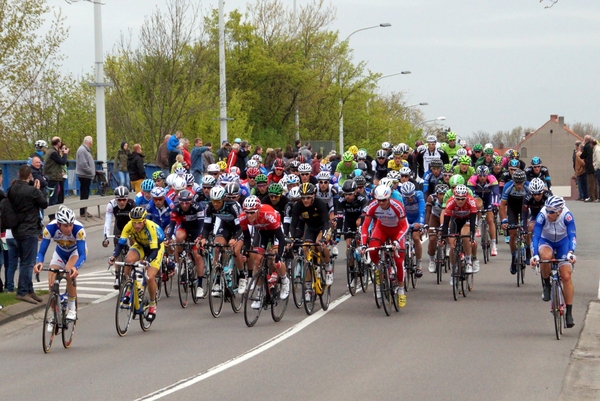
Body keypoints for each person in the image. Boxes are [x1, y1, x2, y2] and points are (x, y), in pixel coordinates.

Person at [109, 206, 165, 322]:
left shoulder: (151, 228)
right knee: (128, 261)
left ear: (144, 221)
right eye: (134, 223)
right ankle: (129, 287)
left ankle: (152, 304)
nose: (136, 226)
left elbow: (154, 250)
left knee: (149, 277)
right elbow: (120, 244)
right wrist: (113, 256)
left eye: (139, 223)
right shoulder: (129, 226)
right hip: (140, 245)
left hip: (155, 249)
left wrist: (147, 261)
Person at [530, 196, 577, 328]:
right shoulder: (542, 215)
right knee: (545, 256)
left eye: (551, 212)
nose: (548, 213)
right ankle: (546, 284)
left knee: (566, 276)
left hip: (563, 242)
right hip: (546, 241)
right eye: (547, 210)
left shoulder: (567, 216)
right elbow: (536, 236)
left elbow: (572, 235)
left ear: (559, 212)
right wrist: (534, 256)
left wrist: (571, 252)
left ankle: (569, 312)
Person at [361, 185, 409, 306]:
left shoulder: (397, 206)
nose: (381, 203)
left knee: (398, 262)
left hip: (397, 231)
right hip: (382, 229)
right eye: (379, 200)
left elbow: (405, 226)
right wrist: (363, 244)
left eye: (384, 200)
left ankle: (401, 290)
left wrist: (397, 241)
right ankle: (378, 269)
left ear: (388, 198)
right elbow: (365, 226)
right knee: (372, 250)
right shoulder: (372, 206)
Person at [34, 207, 85, 321]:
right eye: (65, 226)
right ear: (58, 224)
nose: (69, 228)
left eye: (70, 225)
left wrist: (75, 267)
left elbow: (82, 255)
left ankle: (72, 308)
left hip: (75, 252)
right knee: (51, 282)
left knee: (68, 271)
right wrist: (39, 263)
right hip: (60, 252)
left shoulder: (79, 229)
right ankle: (54, 314)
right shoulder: (50, 229)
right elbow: (42, 251)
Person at [239, 196, 289, 308]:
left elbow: (281, 239)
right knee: (257, 261)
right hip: (261, 232)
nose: (249, 215)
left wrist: (279, 255)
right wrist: (246, 252)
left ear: (258, 210)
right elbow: (247, 237)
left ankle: (285, 281)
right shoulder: (243, 217)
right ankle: (259, 295)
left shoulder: (268, 214)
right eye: (247, 212)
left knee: (275, 259)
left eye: (252, 212)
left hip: (275, 231)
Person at [9, 165, 48, 304]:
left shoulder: (12, 189)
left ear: (19, 175)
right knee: (28, 262)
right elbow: (44, 204)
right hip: (30, 229)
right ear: (30, 176)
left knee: (24, 260)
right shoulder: (32, 191)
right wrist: (38, 190)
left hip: (17, 229)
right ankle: (22, 292)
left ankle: (30, 290)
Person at [439, 184, 478, 282]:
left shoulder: (471, 202)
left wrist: (472, 237)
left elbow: (473, 222)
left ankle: (469, 261)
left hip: (468, 220)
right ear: (454, 197)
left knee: (465, 236)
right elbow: (446, 222)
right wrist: (443, 238)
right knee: (452, 245)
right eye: (458, 199)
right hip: (455, 220)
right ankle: (454, 270)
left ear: (466, 197)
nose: (460, 201)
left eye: (462, 199)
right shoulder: (450, 202)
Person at [44, 137, 69, 220]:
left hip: (53, 176)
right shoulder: (53, 153)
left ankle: (53, 215)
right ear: (58, 143)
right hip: (53, 177)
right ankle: (52, 216)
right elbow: (62, 162)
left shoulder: (51, 151)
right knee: (54, 197)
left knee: (55, 196)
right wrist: (65, 154)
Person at [76, 136, 95, 218]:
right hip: (84, 175)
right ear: (90, 142)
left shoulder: (84, 150)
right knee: (84, 194)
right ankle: (83, 212)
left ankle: (84, 210)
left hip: (86, 175)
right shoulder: (82, 150)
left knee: (85, 193)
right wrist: (90, 171)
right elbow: (83, 164)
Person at [579, 135, 597, 202]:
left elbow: (582, 156)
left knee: (590, 182)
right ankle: (595, 196)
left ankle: (591, 197)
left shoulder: (586, 146)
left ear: (586, 139)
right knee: (594, 182)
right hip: (593, 166)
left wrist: (582, 149)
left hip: (589, 166)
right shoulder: (591, 147)